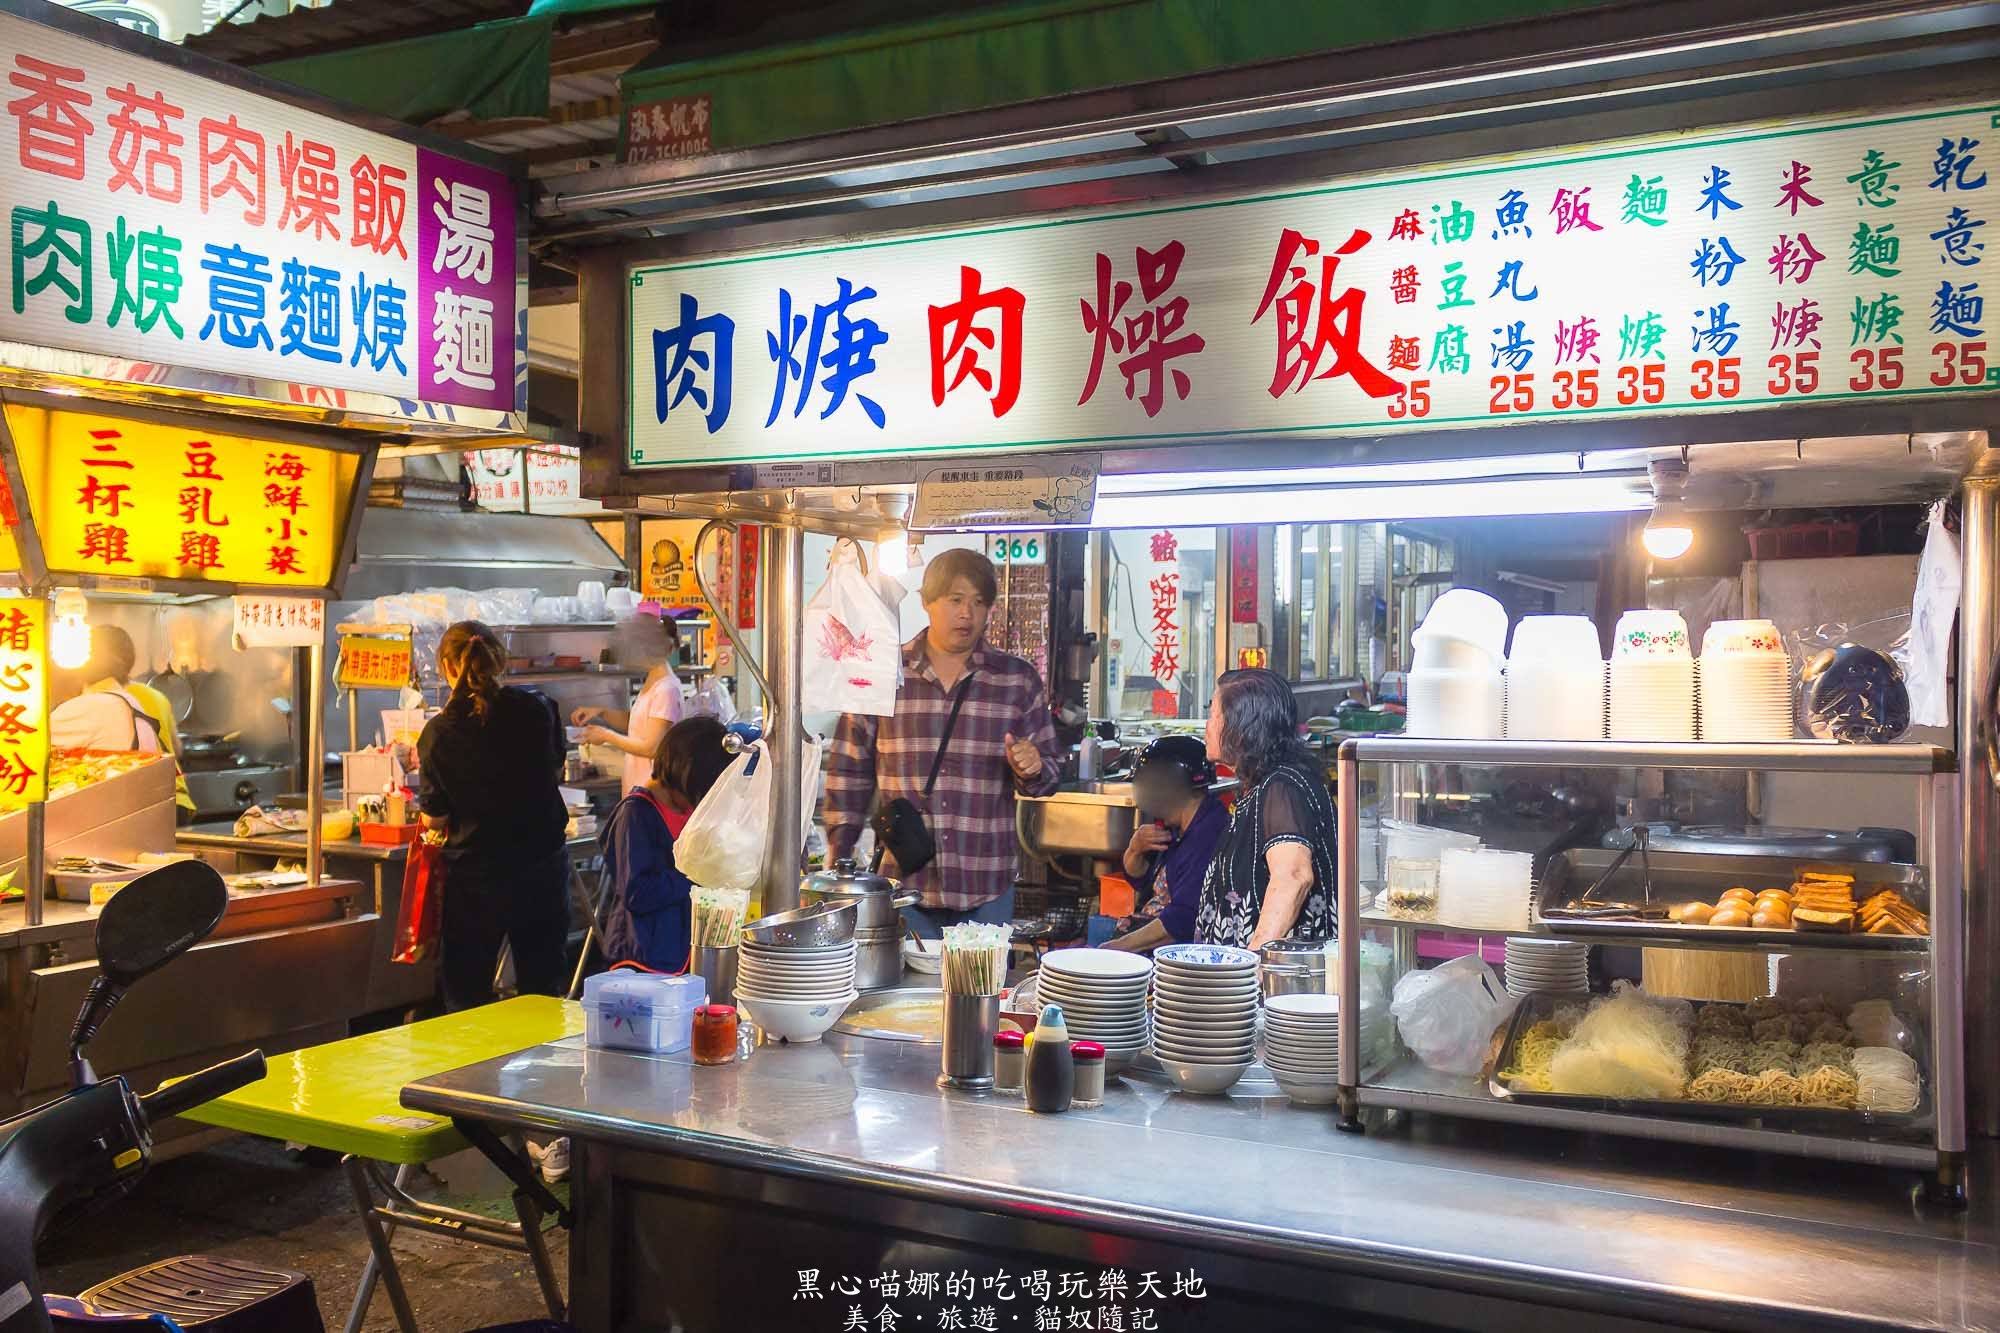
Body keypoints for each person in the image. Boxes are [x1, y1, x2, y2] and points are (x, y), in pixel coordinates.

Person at [825, 547, 1060, 937]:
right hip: (903, 887)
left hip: (986, 886)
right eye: (955, 600)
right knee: (904, 996)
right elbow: (849, 770)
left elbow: (1050, 773)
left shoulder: (1016, 680)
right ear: (927, 602)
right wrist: (839, 857)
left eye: (978, 602)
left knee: (979, 995)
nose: (967, 613)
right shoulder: (883, 673)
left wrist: (1033, 767)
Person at [417, 621, 571, 1011]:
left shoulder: (438, 734)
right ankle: (546, 1070)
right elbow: (554, 771)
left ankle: (470, 1073)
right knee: (542, 992)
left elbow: (435, 818)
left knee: (467, 997)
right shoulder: (538, 709)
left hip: (476, 880)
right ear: (500, 660)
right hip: (541, 870)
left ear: (446, 667)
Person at [1193, 667, 1338, 950]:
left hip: (1278, 984)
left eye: (1213, 715)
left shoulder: (1283, 787)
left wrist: (1253, 966)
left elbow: (1293, 876)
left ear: (1241, 725)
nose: (1207, 726)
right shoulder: (1261, 786)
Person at [600, 715, 734, 972]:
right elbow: (637, 892)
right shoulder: (636, 813)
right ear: (685, 775)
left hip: (680, 951)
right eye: (701, 791)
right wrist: (696, 876)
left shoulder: (689, 812)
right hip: (643, 957)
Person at [1104, 736, 1228, 954]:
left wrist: (1117, 948)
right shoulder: (1175, 826)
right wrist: (1136, 849)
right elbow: (1140, 880)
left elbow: (1182, 919)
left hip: (1179, 956)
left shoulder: (1209, 833)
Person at [84, 625, 193, 820]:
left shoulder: (97, 700)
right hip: (177, 801)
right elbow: (176, 749)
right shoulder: (155, 696)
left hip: (143, 807)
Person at [572, 613, 684, 794]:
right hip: (637, 788)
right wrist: (601, 712)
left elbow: (652, 747)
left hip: (652, 793)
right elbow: (638, 724)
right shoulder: (653, 681)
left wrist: (606, 736)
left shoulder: (666, 689)